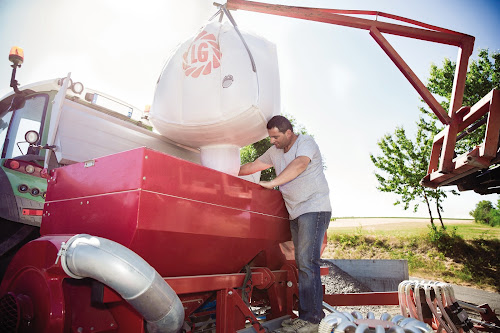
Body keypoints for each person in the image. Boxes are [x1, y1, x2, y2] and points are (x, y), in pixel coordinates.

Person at [239, 115, 331, 333]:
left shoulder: (305, 142)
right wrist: (224, 169)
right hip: (296, 213)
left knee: (308, 263)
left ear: (288, 132)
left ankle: (312, 320)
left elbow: (299, 165)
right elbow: (252, 166)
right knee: (302, 264)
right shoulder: (274, 152)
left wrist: (272, 183)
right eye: (270, 137)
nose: (272, 141)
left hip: (314, 208)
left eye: (275, 137)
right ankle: (309, 317)